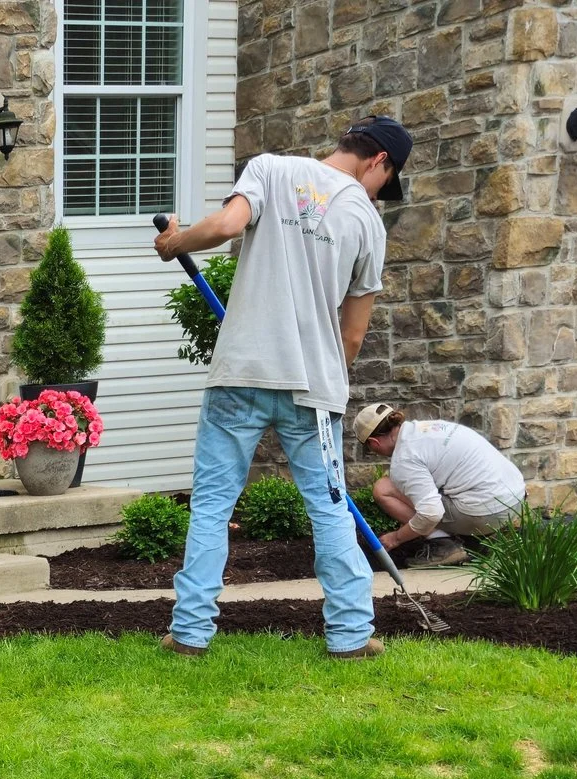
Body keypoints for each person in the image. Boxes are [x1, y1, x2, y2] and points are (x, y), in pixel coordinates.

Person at [152, 116, 410, 660]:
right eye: (387, 180)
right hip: (313, 387)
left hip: (241, 372)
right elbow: (354, 333)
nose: (380, 190)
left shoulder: (270, 170)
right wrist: (327, 381)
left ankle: (190, 634)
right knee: (330, 508)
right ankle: (351, 636)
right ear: (378, 161)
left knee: (213, 507)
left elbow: (223, 227)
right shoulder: (368, 221)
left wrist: (177, 241)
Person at [349, 403, 526, 568]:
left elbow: (431, 514)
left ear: (374, 442)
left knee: (383, 489)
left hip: (483, 513)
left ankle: (443, 545)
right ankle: (477, 540)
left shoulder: (405, 458)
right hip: (515, 500)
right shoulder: (428, 428)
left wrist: (395, 538)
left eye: (370, 448)